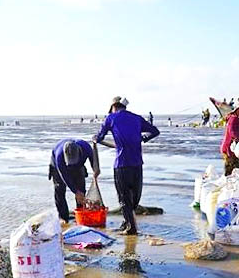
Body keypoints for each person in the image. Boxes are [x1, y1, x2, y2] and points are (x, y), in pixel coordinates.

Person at [94, 96, 160, 235]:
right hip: (137, 164)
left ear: (113, 107)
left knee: (124, 198)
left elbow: (99, 137)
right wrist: (143, 138)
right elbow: (155, 131)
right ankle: (127, 222)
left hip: (121, 164)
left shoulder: (110, 118)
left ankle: (131, 228)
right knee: (134, 197)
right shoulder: (137, 118)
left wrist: (95, 139)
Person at [49, 139, 99, 223]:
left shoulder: (86, 147)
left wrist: (95, 171)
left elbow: (93, 161)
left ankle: (80, 215)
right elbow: (64, 176)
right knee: (60, 189)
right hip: (58, 168)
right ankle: (63, 217)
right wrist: (75, 191)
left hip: (79, 167)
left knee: (81, 190)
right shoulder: (59, 156)